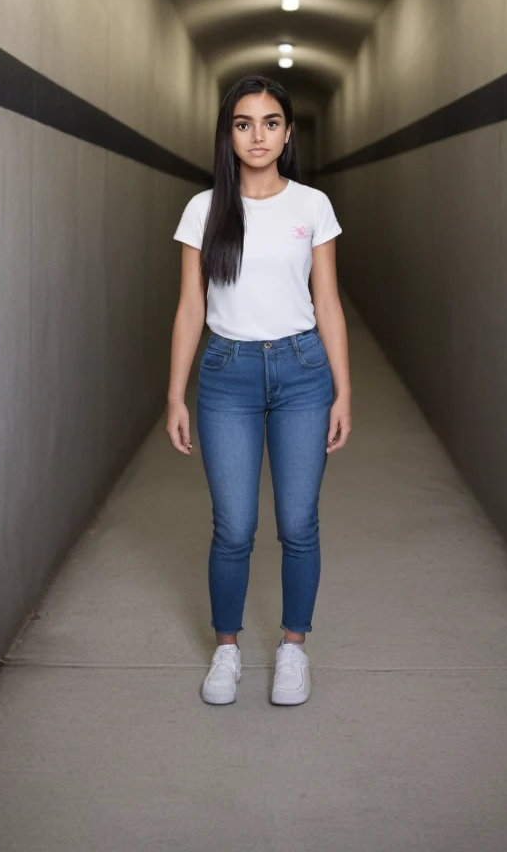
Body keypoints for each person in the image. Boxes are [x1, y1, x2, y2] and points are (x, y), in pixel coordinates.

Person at [166, 74, 352, 706]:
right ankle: (227, 650)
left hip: (303, 373)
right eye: (244, 124)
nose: (258, 135)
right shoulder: (203, 210)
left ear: (288, 132)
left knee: (298, 523)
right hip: (226, 377)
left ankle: (294, 650)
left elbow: (327, 302)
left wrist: (343, 393)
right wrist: (174, 394)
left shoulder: (312, 206)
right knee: (235, 527)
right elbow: (192, 306)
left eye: (271, 123)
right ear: (229, 134)